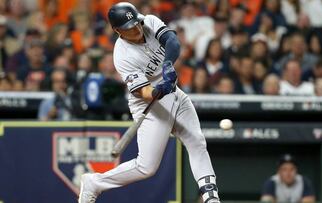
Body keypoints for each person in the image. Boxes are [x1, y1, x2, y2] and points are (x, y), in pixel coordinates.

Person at [78, 2, 221, 203]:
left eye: (136, 23)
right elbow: (143, 92)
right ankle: (95, 182)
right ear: (117, 31)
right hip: (150, 104)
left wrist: (168, 65)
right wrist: (158, 90)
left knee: (196, 141)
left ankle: (211, 197)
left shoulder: (149, 21)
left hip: (174, 93)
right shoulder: (122, 55)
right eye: (129, 28)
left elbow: (172, 40)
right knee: (146, 167)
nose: (136, 29)